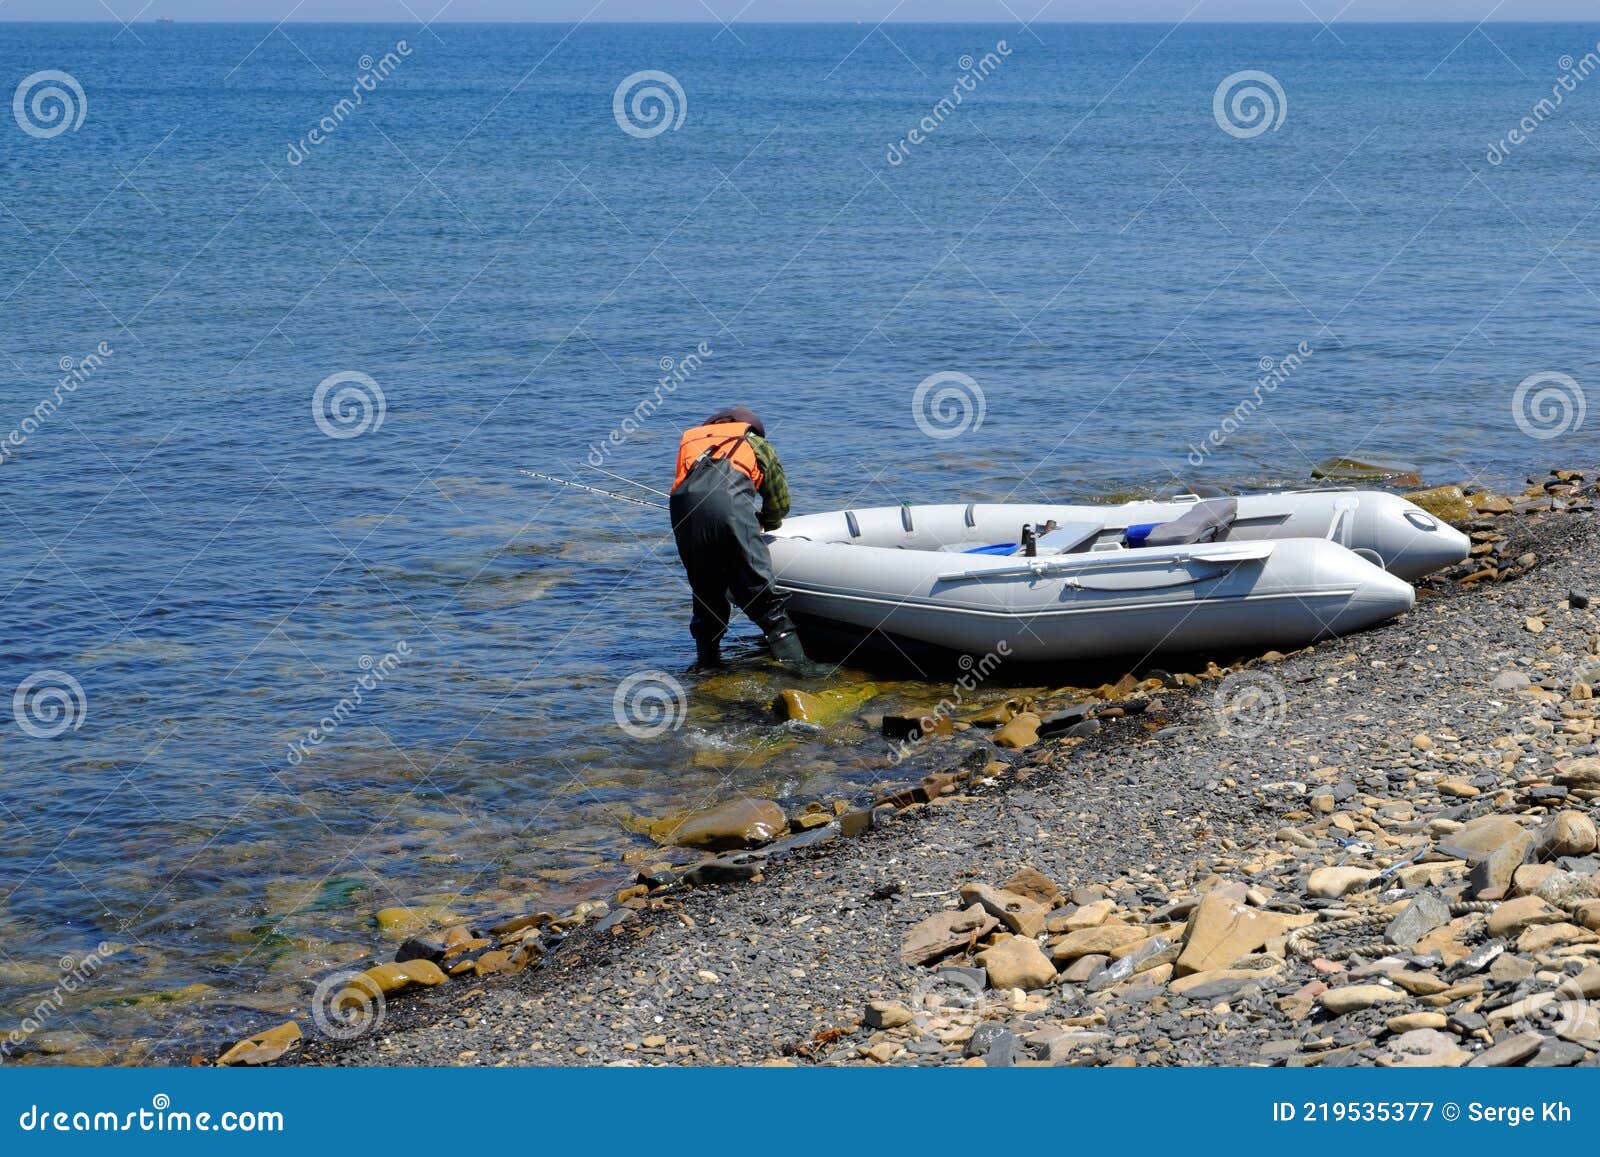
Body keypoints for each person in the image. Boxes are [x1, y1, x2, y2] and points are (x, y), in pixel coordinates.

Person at [669, 406, 817, 671]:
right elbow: (778, 500)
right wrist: (767, 522)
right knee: (760, 591)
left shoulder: (690, 440)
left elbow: (688, 486)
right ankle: (799, 667)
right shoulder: (755, 442)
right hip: (731, 513)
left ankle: (707, 663)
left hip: (684, 517)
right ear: (751, 426)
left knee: (705, 592)